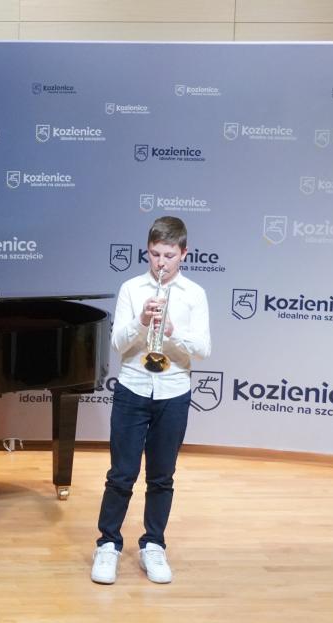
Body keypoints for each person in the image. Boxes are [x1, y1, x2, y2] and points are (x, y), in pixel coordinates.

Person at [91, 216, 211, 585]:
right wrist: (142, 321)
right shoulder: (131, 288)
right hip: (132, 388)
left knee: (161, 477)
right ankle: (107, 545)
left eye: (169, 255)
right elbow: (117, 343)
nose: (161, 262)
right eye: (155, 254)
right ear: (148, 251)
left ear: (184, 254)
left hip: (173, 392)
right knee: (121, 475)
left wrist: (172, 333)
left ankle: (154, 545)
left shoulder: (194, 294)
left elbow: (203, 350)